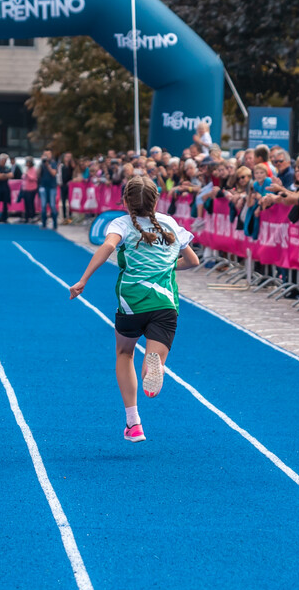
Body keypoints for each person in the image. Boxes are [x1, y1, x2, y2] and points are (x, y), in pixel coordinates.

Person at [67, 175, 200, 442]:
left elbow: (107, 247)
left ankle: (133, 422)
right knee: (152, 360)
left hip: (132, 303)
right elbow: (193, 260)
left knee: (124, 353)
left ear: (125, 201)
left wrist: (83, 280)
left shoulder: (122, 223)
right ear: (157, 200)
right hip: (165, 304)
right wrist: (166, 267)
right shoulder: (170, 223)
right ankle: (155, 367)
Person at [37, 151, 61, 229]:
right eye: (45, 155)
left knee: (52, 205)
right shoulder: (42, 164)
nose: (47, 156)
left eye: (48, 155)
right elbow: (37, 174)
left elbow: (54, 173)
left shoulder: (53, 163)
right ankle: (44, 223)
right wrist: (41, 164)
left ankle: (55, 224)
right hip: (43, 186)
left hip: (52, 187)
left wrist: (48, 166)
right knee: (43, 205)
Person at [0, 154, 14, 222]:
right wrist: (5, 175)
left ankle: (4, 218)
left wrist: (3, 175)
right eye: (4, 160)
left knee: (5, 203)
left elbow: (11, 175)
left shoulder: (7, 167)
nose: (5, 161)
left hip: (5, 187)